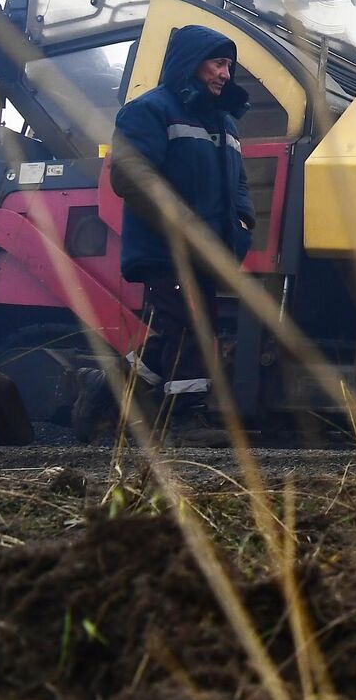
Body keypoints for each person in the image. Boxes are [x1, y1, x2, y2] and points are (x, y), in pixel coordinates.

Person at [107, 24, 254, 428]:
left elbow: (237, 181)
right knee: (193, 324)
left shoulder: (226, 122)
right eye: (218, 63)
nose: (226, 73)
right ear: (191, 62)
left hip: (207, 250)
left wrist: (243, 223)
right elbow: (129, 175)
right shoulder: (148, 110)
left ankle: (103, 396)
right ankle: (185, 422)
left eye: (229, 66)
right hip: (164, 250)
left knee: (174, 330)